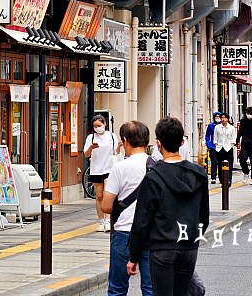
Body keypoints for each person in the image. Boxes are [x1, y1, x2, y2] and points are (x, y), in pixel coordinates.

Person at [127, 116, 209, 296]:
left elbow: (142, 220)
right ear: (181, 142)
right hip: (188, 247)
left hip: (162, 246)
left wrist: (134, 256)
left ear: (158, 143)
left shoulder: (153, 177)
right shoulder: (199, 174)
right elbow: (204, 215)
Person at [101, 120, 155, 296]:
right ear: (147, 141)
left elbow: (106, 206)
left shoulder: (119, 167)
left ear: (125, 141)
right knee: (150, 289)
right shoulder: (157, 167)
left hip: (124, 233)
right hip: (151, 233)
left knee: (117, 289)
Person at [84, 115, 117, 232]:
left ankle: (108, 221)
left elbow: (115, 152)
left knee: (107, 193)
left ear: (105, 124)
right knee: (99, 196)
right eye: (95, 126)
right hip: (96, 169)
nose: (97, 128)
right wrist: (91, 148)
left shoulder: (112, 136)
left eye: (99, 125)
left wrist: (121, 147)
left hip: (109, 168)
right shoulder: (91, 137)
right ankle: (101, 221)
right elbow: (86, 155)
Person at [212, 112, 236, 185]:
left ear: (227, 119)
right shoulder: (217, 127)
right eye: (222, 118)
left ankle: (228, 180)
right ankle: (221, 180)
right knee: (220, 164)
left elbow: (233, 138)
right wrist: (216, 144)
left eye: (225, 118)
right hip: (219, 148)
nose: (223, 119)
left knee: (229, 165)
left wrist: (232, 145)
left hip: (228, 148)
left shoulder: (231, 128)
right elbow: (215, 137)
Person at [203, 111, 222, 182]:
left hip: (220, 146)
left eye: (218, 117)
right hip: (212, 146)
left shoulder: (222, 126)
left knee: (220, 162)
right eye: (216, 117)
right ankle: (213, 177)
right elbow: (207, 135)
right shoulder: (211, 126)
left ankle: (221, 178)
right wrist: (208, 144)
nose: (217, 118)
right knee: (214, 161)